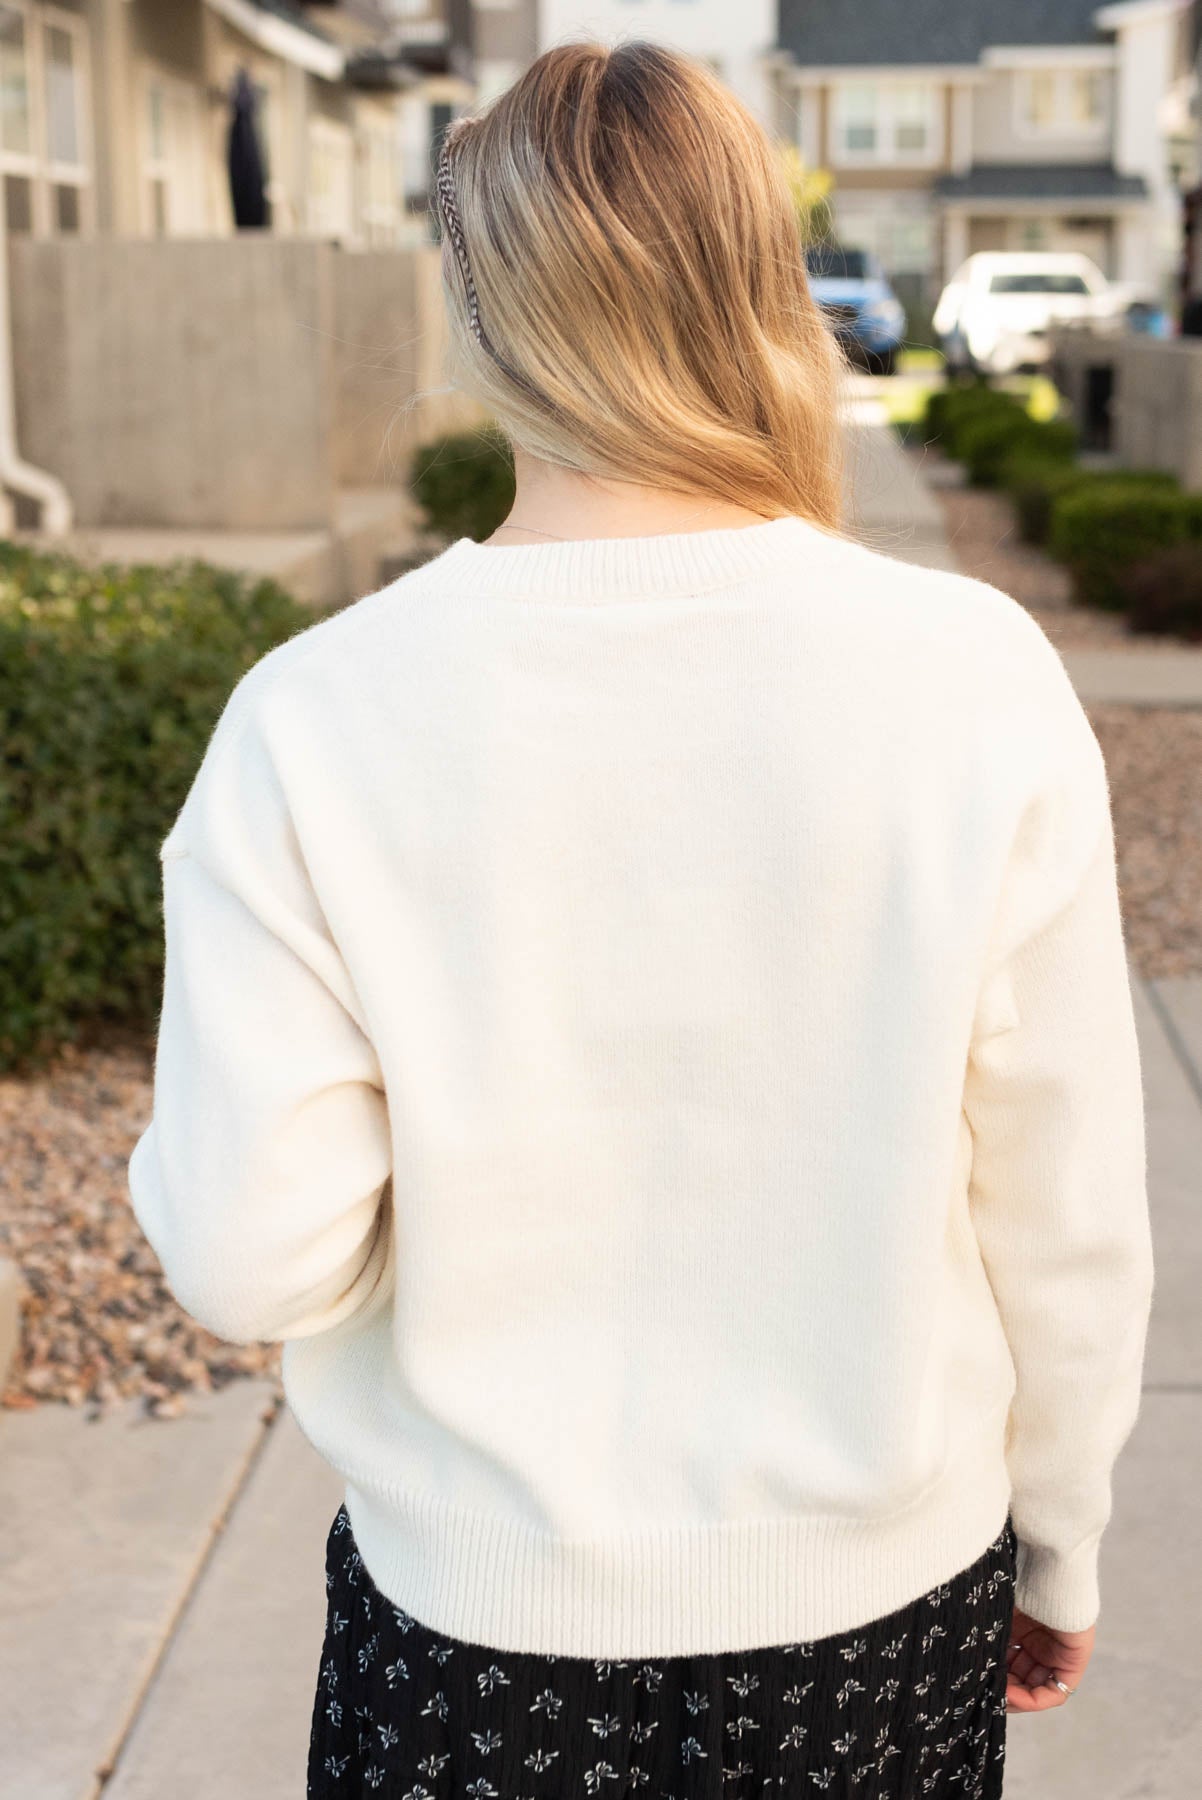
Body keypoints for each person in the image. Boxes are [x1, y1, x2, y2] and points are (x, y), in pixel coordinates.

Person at [126, 38, 1155, 1800]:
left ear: (474, 307)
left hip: (470, 1639)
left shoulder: (315, 716)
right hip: (882, 1621)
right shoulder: (968, 677)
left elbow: (246, 1252)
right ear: (765, 287)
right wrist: (1057, 1536)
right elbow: (1061, 1207)